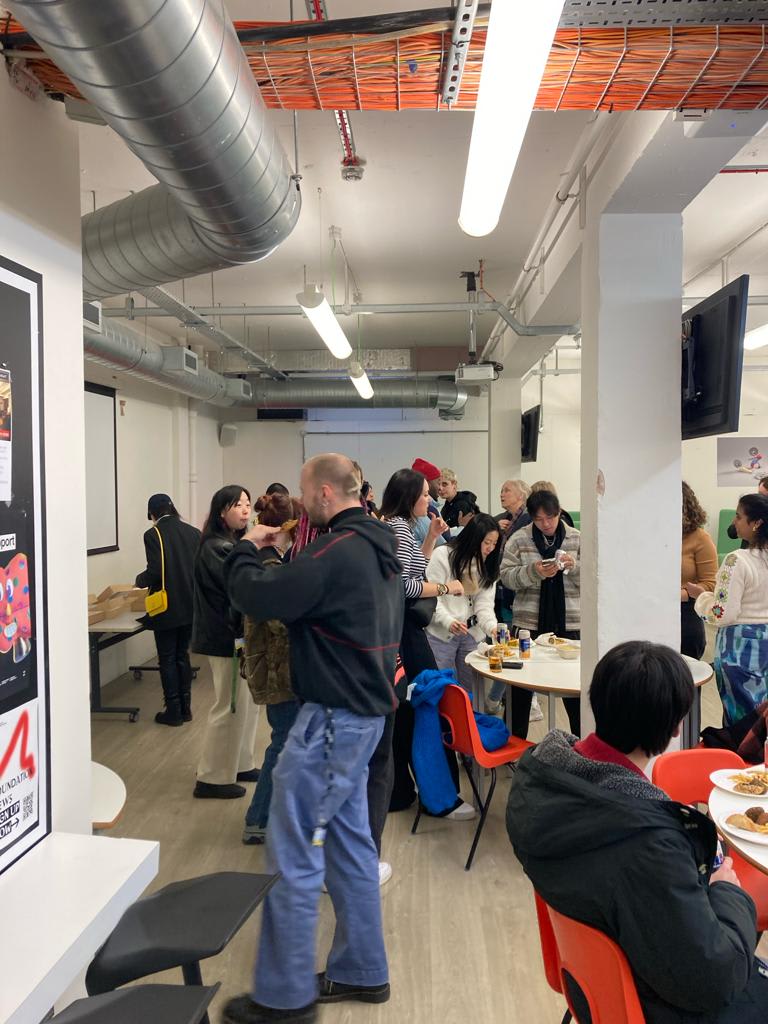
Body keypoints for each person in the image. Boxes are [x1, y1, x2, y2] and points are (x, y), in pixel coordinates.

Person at [222, 454, 404, 1024]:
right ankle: (362, 969)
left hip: (331, 721)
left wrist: (250, 545)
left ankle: (283, 998)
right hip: (365, 718)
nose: (300, 506)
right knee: (350, 846)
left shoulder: (333, 551)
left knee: (294, 852)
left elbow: (260, 597)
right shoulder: (381, 550)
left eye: (305, 495)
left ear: (326, 493)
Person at [507, 640, 768, 1024]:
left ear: (598, 700)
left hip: (591, 983)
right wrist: (728, 891)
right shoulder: (645, 839)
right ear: (676, 725)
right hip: (646, 1000)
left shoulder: (541, 781)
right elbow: (715, 980)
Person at [380, 467, 474, 819]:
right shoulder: (398, 528)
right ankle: (440, 796)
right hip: (405, 632)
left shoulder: (397, 526)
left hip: (398, 631)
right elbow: (405, 588)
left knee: (406, 710)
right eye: (423, 494)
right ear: (408, 497)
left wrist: (432, 537)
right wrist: (449, 587)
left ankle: (400, 790)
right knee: (427, 704)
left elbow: (410, 570)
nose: (430, 499)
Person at [191, 485, 260, 799]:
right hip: (224, 636)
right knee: (229, 705)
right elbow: (240, 585)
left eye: (247, 504)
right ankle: (212, 777)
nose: (246, 510)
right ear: (222, 510)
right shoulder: (218, 547)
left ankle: (240, 762)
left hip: (236, 635)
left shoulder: (229, 543)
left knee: (245, 705)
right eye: (238, 505)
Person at [242, 493, 302, 842]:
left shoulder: (268, 562)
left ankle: (266, 815)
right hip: (279, 672)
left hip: (276, 669)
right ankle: (259, 817)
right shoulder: (270, 567)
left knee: (283, 741)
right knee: (282, 743)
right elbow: (281, 623)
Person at [500, 489, 580, 739]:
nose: (545, 524)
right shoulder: (519, 539)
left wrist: (573, 567)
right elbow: (506, 578)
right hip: (528, 623)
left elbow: (595, 579)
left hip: (570, 623)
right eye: (539, 519)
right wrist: (533, 572)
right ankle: (512, 747)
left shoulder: (577, 539)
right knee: (520, 690)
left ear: (559, 514)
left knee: (575, 689)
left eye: (550, 518)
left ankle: (584, 748)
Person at [687, 493, 768, 725]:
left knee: (741, 721)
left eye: (738, 517)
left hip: (740, 649)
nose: (734, 522)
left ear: (756, 523)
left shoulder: (736, 561)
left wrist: (700, 596)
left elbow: (723, 614)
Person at [136, 493, 200, 726]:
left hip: (166, 607)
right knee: (182, 655)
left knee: (167, 658)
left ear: (152, 514)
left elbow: (154, 571)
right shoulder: (194, 533)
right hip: (191, 605)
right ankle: (186, 709)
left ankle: (172, 710)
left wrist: (139, 580)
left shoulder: (153, 534)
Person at [425, 514, 501, 691]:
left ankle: (471, 719)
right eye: (487, 542)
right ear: (473, 538)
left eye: (494, 543)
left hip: (472, 635)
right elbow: (431, 596)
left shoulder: (488, 563)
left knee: (473, 690)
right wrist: (448, 621)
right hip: (441, 634)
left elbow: (484, 604)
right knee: (444, 690)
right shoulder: (443, 555)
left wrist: (492, 627)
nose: (490, 548)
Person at [680, 481, 718, 659]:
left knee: (686, 680)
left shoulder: (700, 538)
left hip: (685, 613)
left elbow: (711, 585)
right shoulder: (648, 536)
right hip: (650, 610)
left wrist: (682, 594)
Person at [410, 457, 447, 547]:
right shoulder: (422, 514)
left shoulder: (430, 509)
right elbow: (441, 546)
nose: (440, 488)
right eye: (438, 483)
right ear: (427, 483)